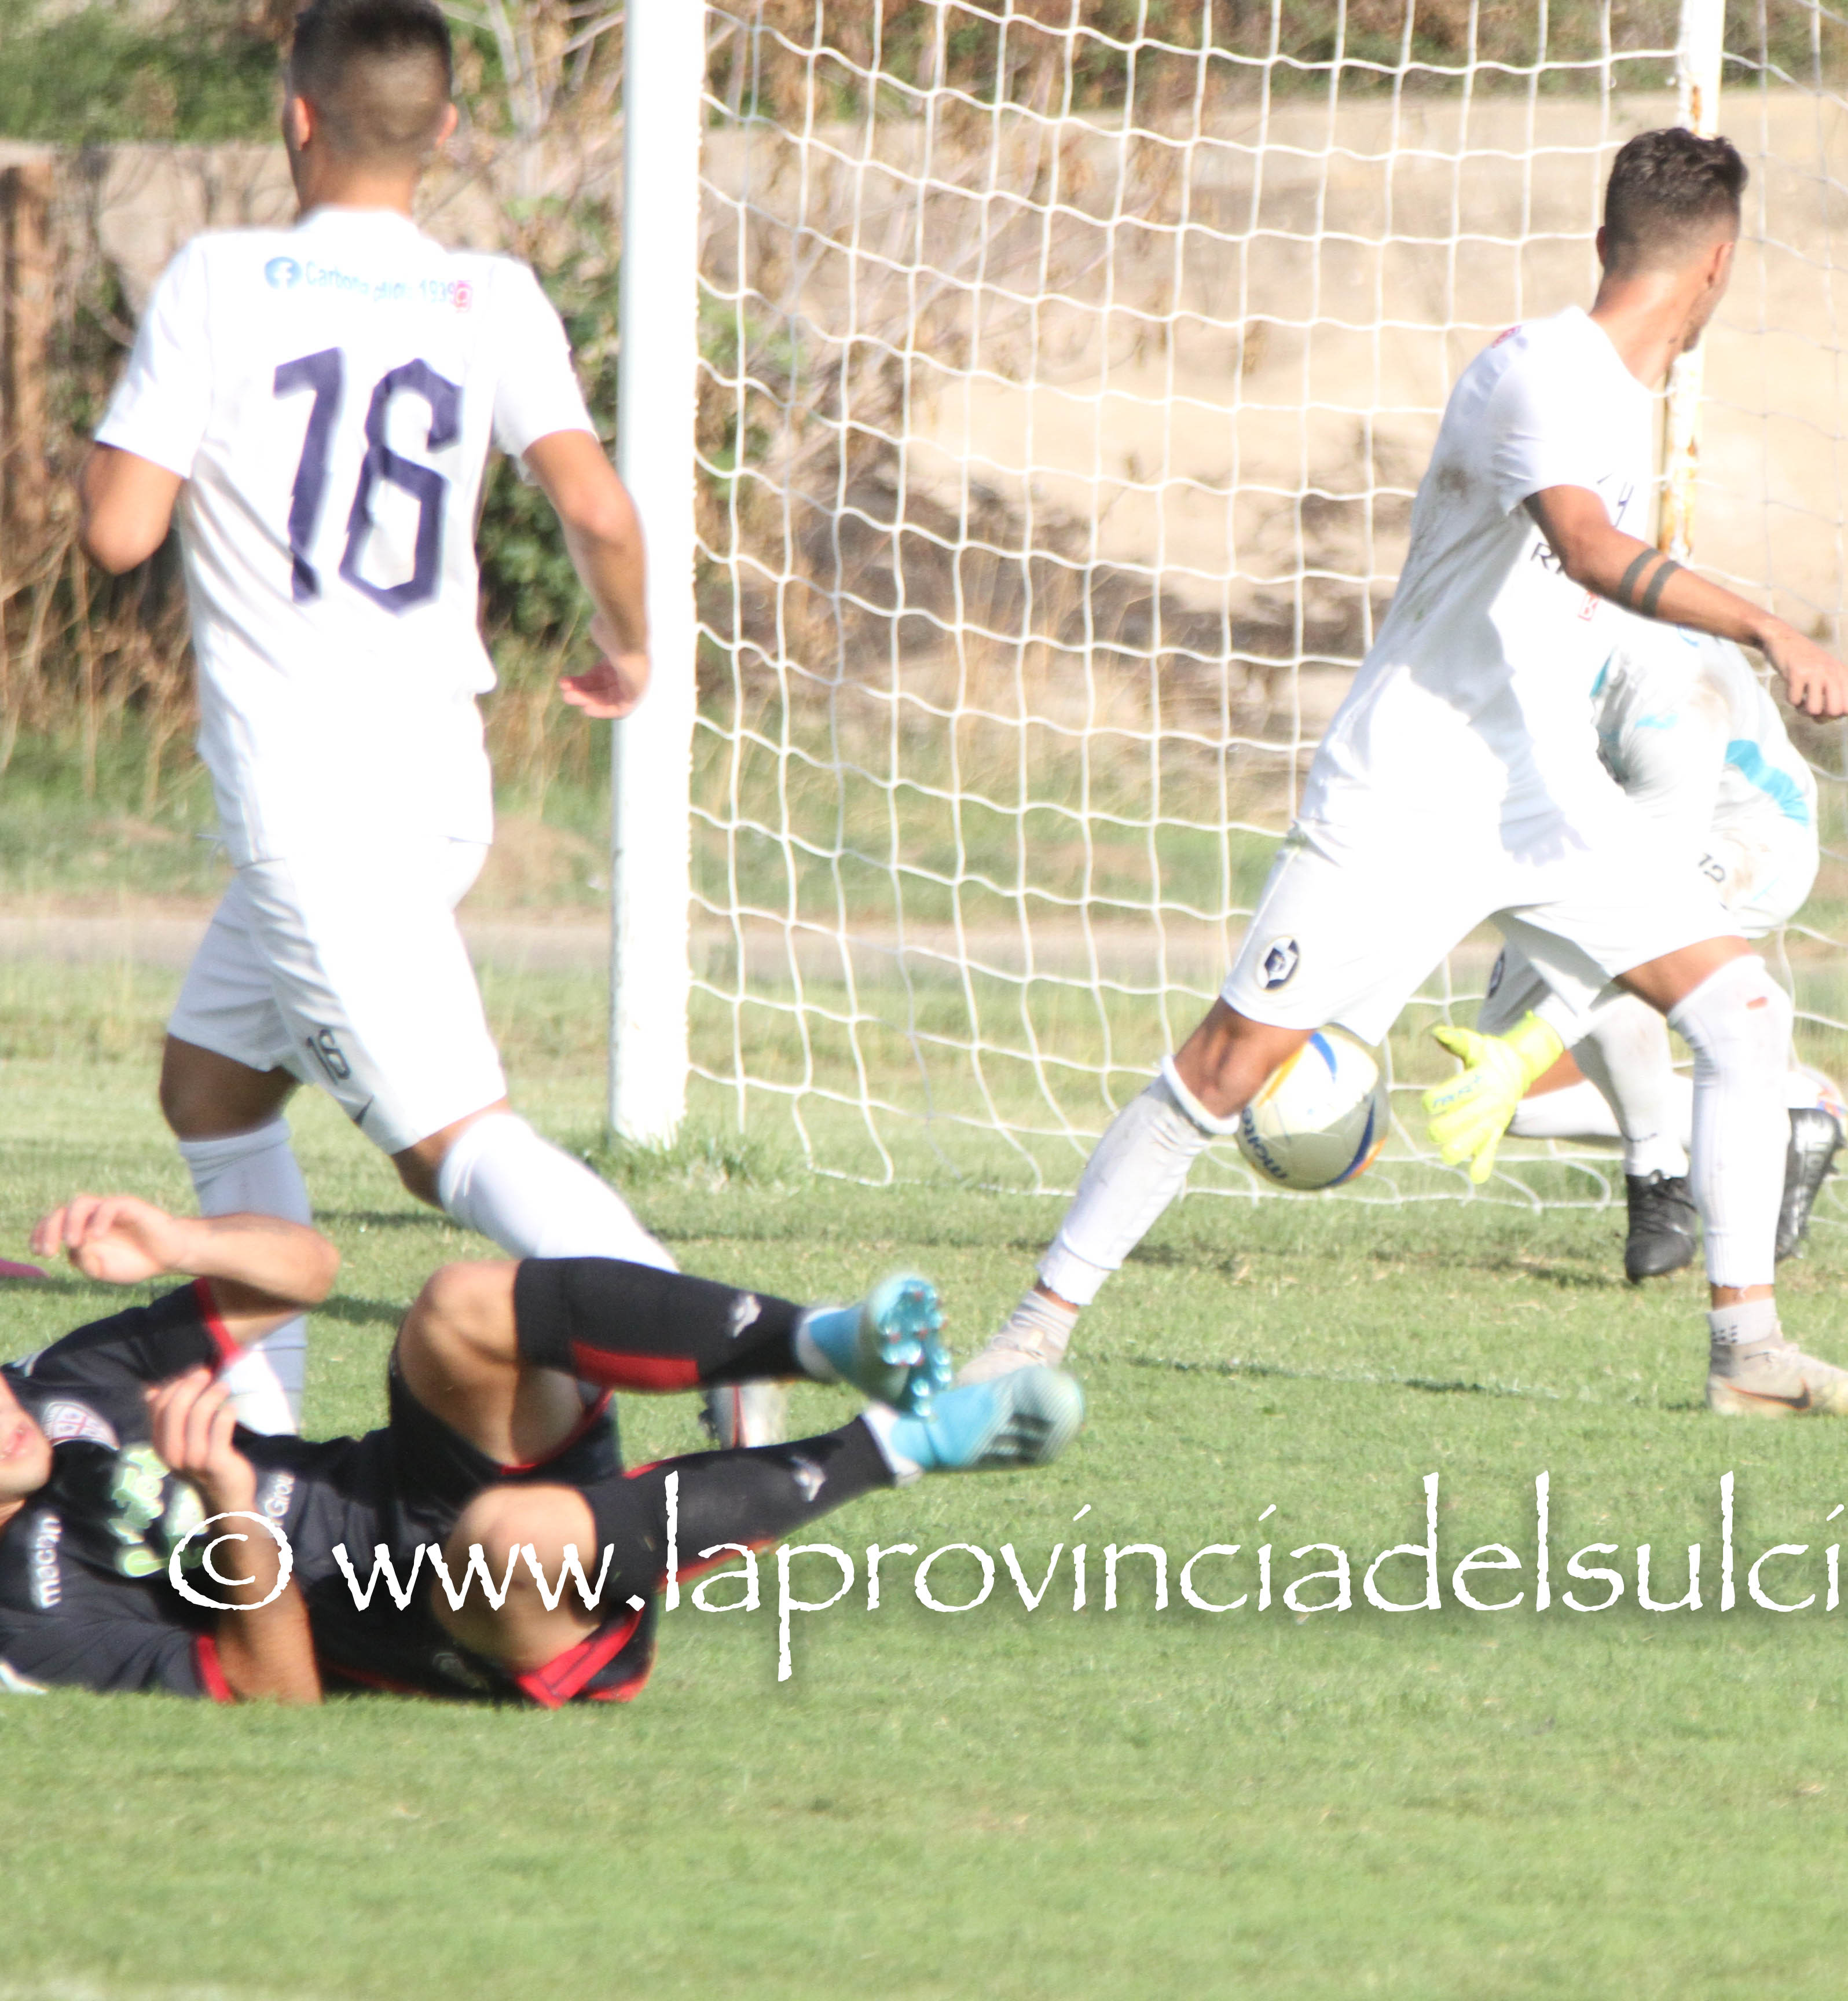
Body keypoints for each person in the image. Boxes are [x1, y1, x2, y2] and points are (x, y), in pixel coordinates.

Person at [955, 129, 1848, 1419]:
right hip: (1407, 786)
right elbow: (1584, 548)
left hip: (1544, 789)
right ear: (1720, 268)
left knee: (1742, 1016)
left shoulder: (1614, 398)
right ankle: (1029, 1335)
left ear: (1605, 242)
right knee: (1229, 1064)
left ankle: (1748, 1353)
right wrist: (1769, 628)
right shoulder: (1539, 374)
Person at [70, 2, 773, 1441]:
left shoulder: (218, 280)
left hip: (309, 803)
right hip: (436, 779)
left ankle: (719, 1347)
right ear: (445, 130)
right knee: (211, 1090)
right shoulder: (488, 296)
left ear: (295, 113)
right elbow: (598, 508)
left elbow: (119, 531)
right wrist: (631, 647)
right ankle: (259, 1449)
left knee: (450, 1145)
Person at [0, 1194, 1079, 1704]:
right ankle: (902, 1443)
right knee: (503, 1538)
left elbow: (307, 1270)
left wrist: (182, 1243)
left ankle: (826, 1342)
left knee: (456, 1303)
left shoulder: (57, 1387)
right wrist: (233, 1505)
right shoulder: (27, 1625)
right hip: (447, 1619)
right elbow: (273, 1696)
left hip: (413, 1475)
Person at [1442, 614, 1848, 1281]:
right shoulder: (1501, 644)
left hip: (1751, 838)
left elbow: (1645, 911)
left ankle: (1656, 1173)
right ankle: (1792, 1117)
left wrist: (1532, 1045)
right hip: (1610, 845)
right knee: (1520, 1103)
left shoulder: (1670, 692)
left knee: (1616, 953)